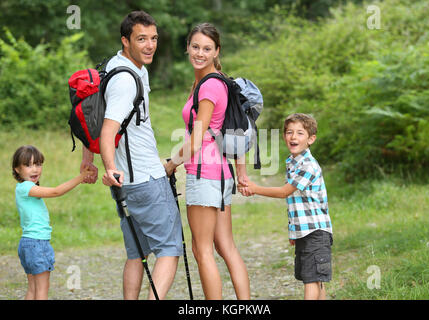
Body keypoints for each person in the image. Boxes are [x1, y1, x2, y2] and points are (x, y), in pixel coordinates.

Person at [82, 11, 183, 300]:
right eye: (142, 39)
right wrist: (110, 168)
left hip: (128, 184)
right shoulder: (126, 80)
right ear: (126, 40)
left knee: (137, 254)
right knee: (169, 250)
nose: (150, 45)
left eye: (153, 38)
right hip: (144, 180)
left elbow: (95, 115)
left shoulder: (114, 66)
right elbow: (108, 127)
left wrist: (89, 161)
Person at [164, 23, 250, 300]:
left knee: (202, 250)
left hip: (205, 174)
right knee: (226, 247)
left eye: (207, 48)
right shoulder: (216, 81)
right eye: (195, 46)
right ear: (188, 47)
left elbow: (197, 139)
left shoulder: (210, 86)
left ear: (217, 51)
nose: (200, 53)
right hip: (222, 173)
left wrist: (170, 164)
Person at [238, 113, 333, 300]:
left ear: (311, 139)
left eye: (300, 133)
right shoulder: (292, 163)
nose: (293, 137)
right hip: (305, 232)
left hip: (316, 232)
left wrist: (256, 189)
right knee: (315, 279)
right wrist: (294, 232)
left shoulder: (308, 165)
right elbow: (296, 203)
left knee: (311, 281)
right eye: (289, 132)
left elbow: (284, 192)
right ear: (284, 137)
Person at [12, 145, 92, 300]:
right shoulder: (27, 188)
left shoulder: (21, 188)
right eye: (28, 165)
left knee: (32, 290)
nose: (34, 169)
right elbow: (56, 191)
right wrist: (82, 176)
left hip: (27, 243)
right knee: (42, 292)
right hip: (37, 243)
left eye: (38, 164)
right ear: (17, 169)